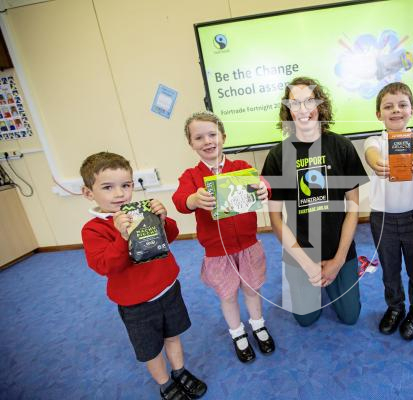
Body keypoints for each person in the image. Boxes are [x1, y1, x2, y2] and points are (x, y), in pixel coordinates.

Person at [80, 152, 207, 400]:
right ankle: (164, 383)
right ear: (88, 192)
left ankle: (180, 372)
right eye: (108, 187)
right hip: (135, 304)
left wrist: (162, 219)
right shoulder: (93, 229)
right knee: (151, 349)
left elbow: (168, 237)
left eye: (126, 185)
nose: (120, 194)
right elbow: (105, 265)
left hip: (168, 289)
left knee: (173, 335)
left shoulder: (141, 211)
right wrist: (122, 236)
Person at [261, 76, 369, 327]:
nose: (303, 109)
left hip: (338, 248)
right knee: (306, 319)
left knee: (350, 317)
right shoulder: (277, 156)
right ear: (287, 110)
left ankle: (341, 273)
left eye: (309, 101)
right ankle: (308, 279)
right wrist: (307, 265)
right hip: (301, 251)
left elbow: (354, 207)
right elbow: (275, 219)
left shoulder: (342, 147)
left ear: (320, 105)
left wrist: (340, 259)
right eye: (295, 103)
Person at [172, 111, 275, 364]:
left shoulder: (241, 168)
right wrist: (193, 199)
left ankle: (258, 325)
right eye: (199, 137)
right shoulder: (191, 176)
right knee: (227, 295)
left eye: (212, 134)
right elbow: (180, 201)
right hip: (218, 252)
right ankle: (238, 333)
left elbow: (263, 184)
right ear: (191, 143)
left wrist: (264, 188)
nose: (207, 141)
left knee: (252, 289)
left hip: (249, 245)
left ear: (223, 137)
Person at [364, 82, 413, 340]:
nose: (395, 110)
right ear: (379, 114)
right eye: (388, 106)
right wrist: (377, 164)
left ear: (412, 110)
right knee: (390, 270)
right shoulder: (374, 140)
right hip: (382, 220)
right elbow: (371, 154)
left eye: (402, 105)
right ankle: (395, 307)